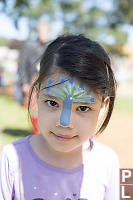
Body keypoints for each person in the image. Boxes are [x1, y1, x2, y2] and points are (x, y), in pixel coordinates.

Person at [0, 34, 119, 200]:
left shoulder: (107, 163)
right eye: (52, 103)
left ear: (102, 106)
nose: (65, 123)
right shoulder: (12, 159)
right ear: (36, 96)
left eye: (83, 108)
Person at [16, 20, 49, 134]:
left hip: (44, 83)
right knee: (33, 108)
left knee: (44, 108)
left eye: (46, 32)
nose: (43, 34)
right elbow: (21, 65)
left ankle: (41, 132)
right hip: (30, 82)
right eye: (41, 31)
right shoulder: (29, 46)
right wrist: (24, 83)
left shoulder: (49, 48)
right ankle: (36, 133)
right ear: (37, 31)